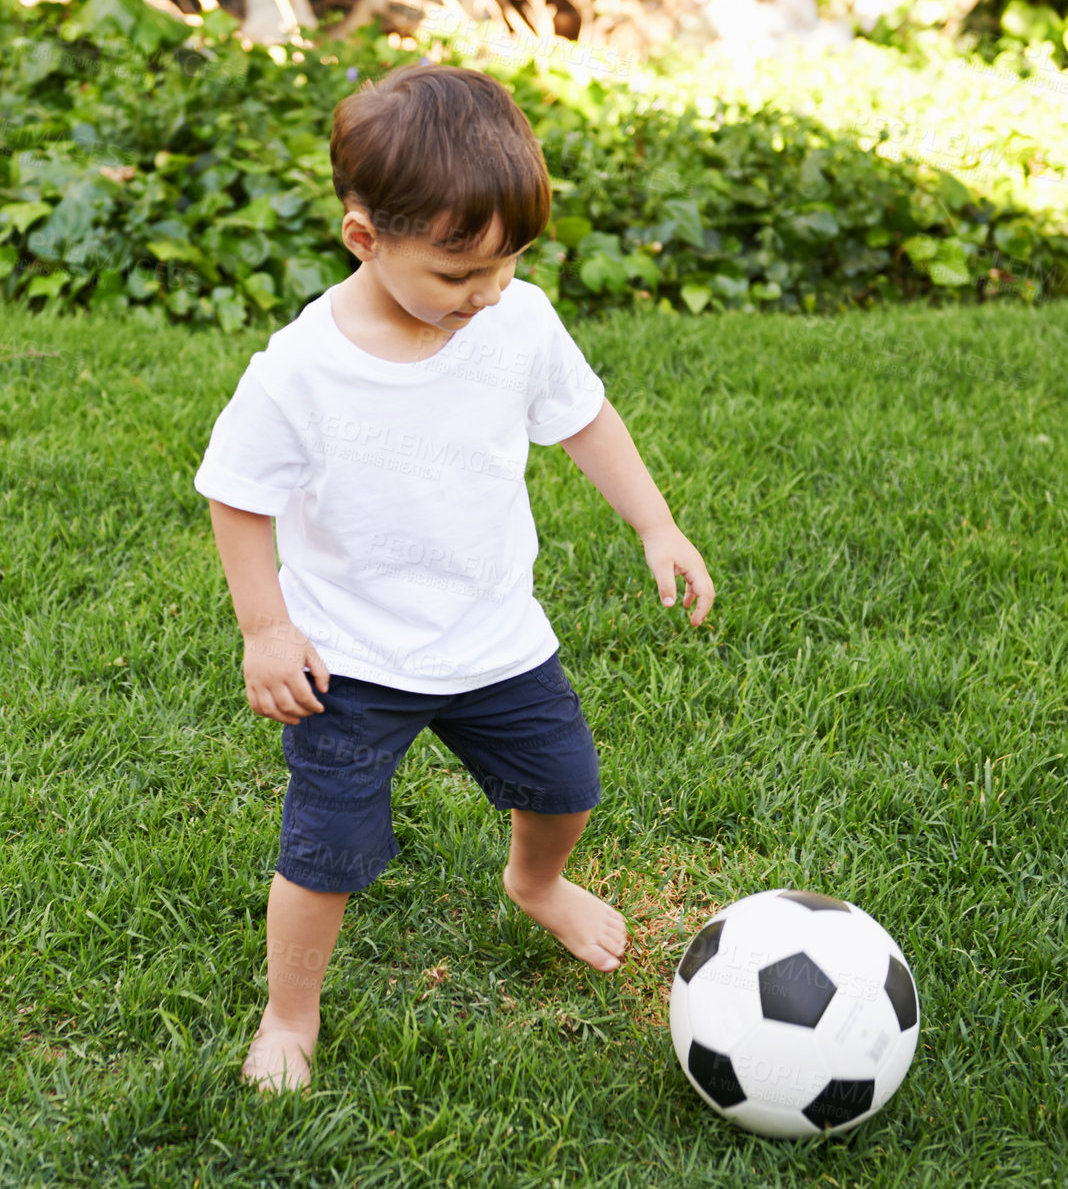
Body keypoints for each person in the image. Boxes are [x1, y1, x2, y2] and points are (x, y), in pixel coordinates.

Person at [194, 62, 714, 1093]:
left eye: (508, 265)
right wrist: (266, 629)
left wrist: (656, 524)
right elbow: (237, 494)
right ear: (364, 239)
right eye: (456, 274)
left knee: (566, 785)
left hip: (492, 638)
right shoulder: (300, 370)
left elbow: (584, 421)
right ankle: (290, 1013)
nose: (485, 296)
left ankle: (536, 883)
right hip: (351, 658)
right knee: (324, 853)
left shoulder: (515, 323)